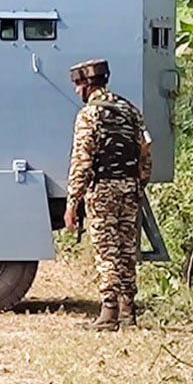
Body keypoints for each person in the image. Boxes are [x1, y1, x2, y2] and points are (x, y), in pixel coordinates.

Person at [63, 59, 151, 331]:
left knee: (106, 250)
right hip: (129, 188)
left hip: (102, 189)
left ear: (89, 84)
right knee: (126, 249)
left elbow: (82, 160)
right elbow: (145, 153)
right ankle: (128, 311)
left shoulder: (90, 115)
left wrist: (73, 202)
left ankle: (108, 312)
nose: (77, 91)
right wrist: (139, 184)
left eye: (79, 85)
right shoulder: (130, 111)